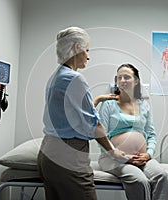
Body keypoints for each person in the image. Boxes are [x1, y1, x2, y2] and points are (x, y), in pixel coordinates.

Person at [37, 26, 127, 200]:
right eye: (87, 50)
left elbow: (72, 115)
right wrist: (112, 151)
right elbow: (93, 124)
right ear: (77, 48)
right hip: (68, 156)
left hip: (49, 153)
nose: (88, 55)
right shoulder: (74, 78)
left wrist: (98, 99)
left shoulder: (56, 76)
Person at [95, 63, 168, 200]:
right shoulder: (108, 104)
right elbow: (100, 135)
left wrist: (148, 155)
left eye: (126, 77)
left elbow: (151, 134)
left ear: (136, 81)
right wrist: (116, 154)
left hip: (141, 158)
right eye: (119, 77)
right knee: (140, 181)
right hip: (112, 158)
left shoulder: (144, 105)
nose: (122, 81)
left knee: (162, 176)